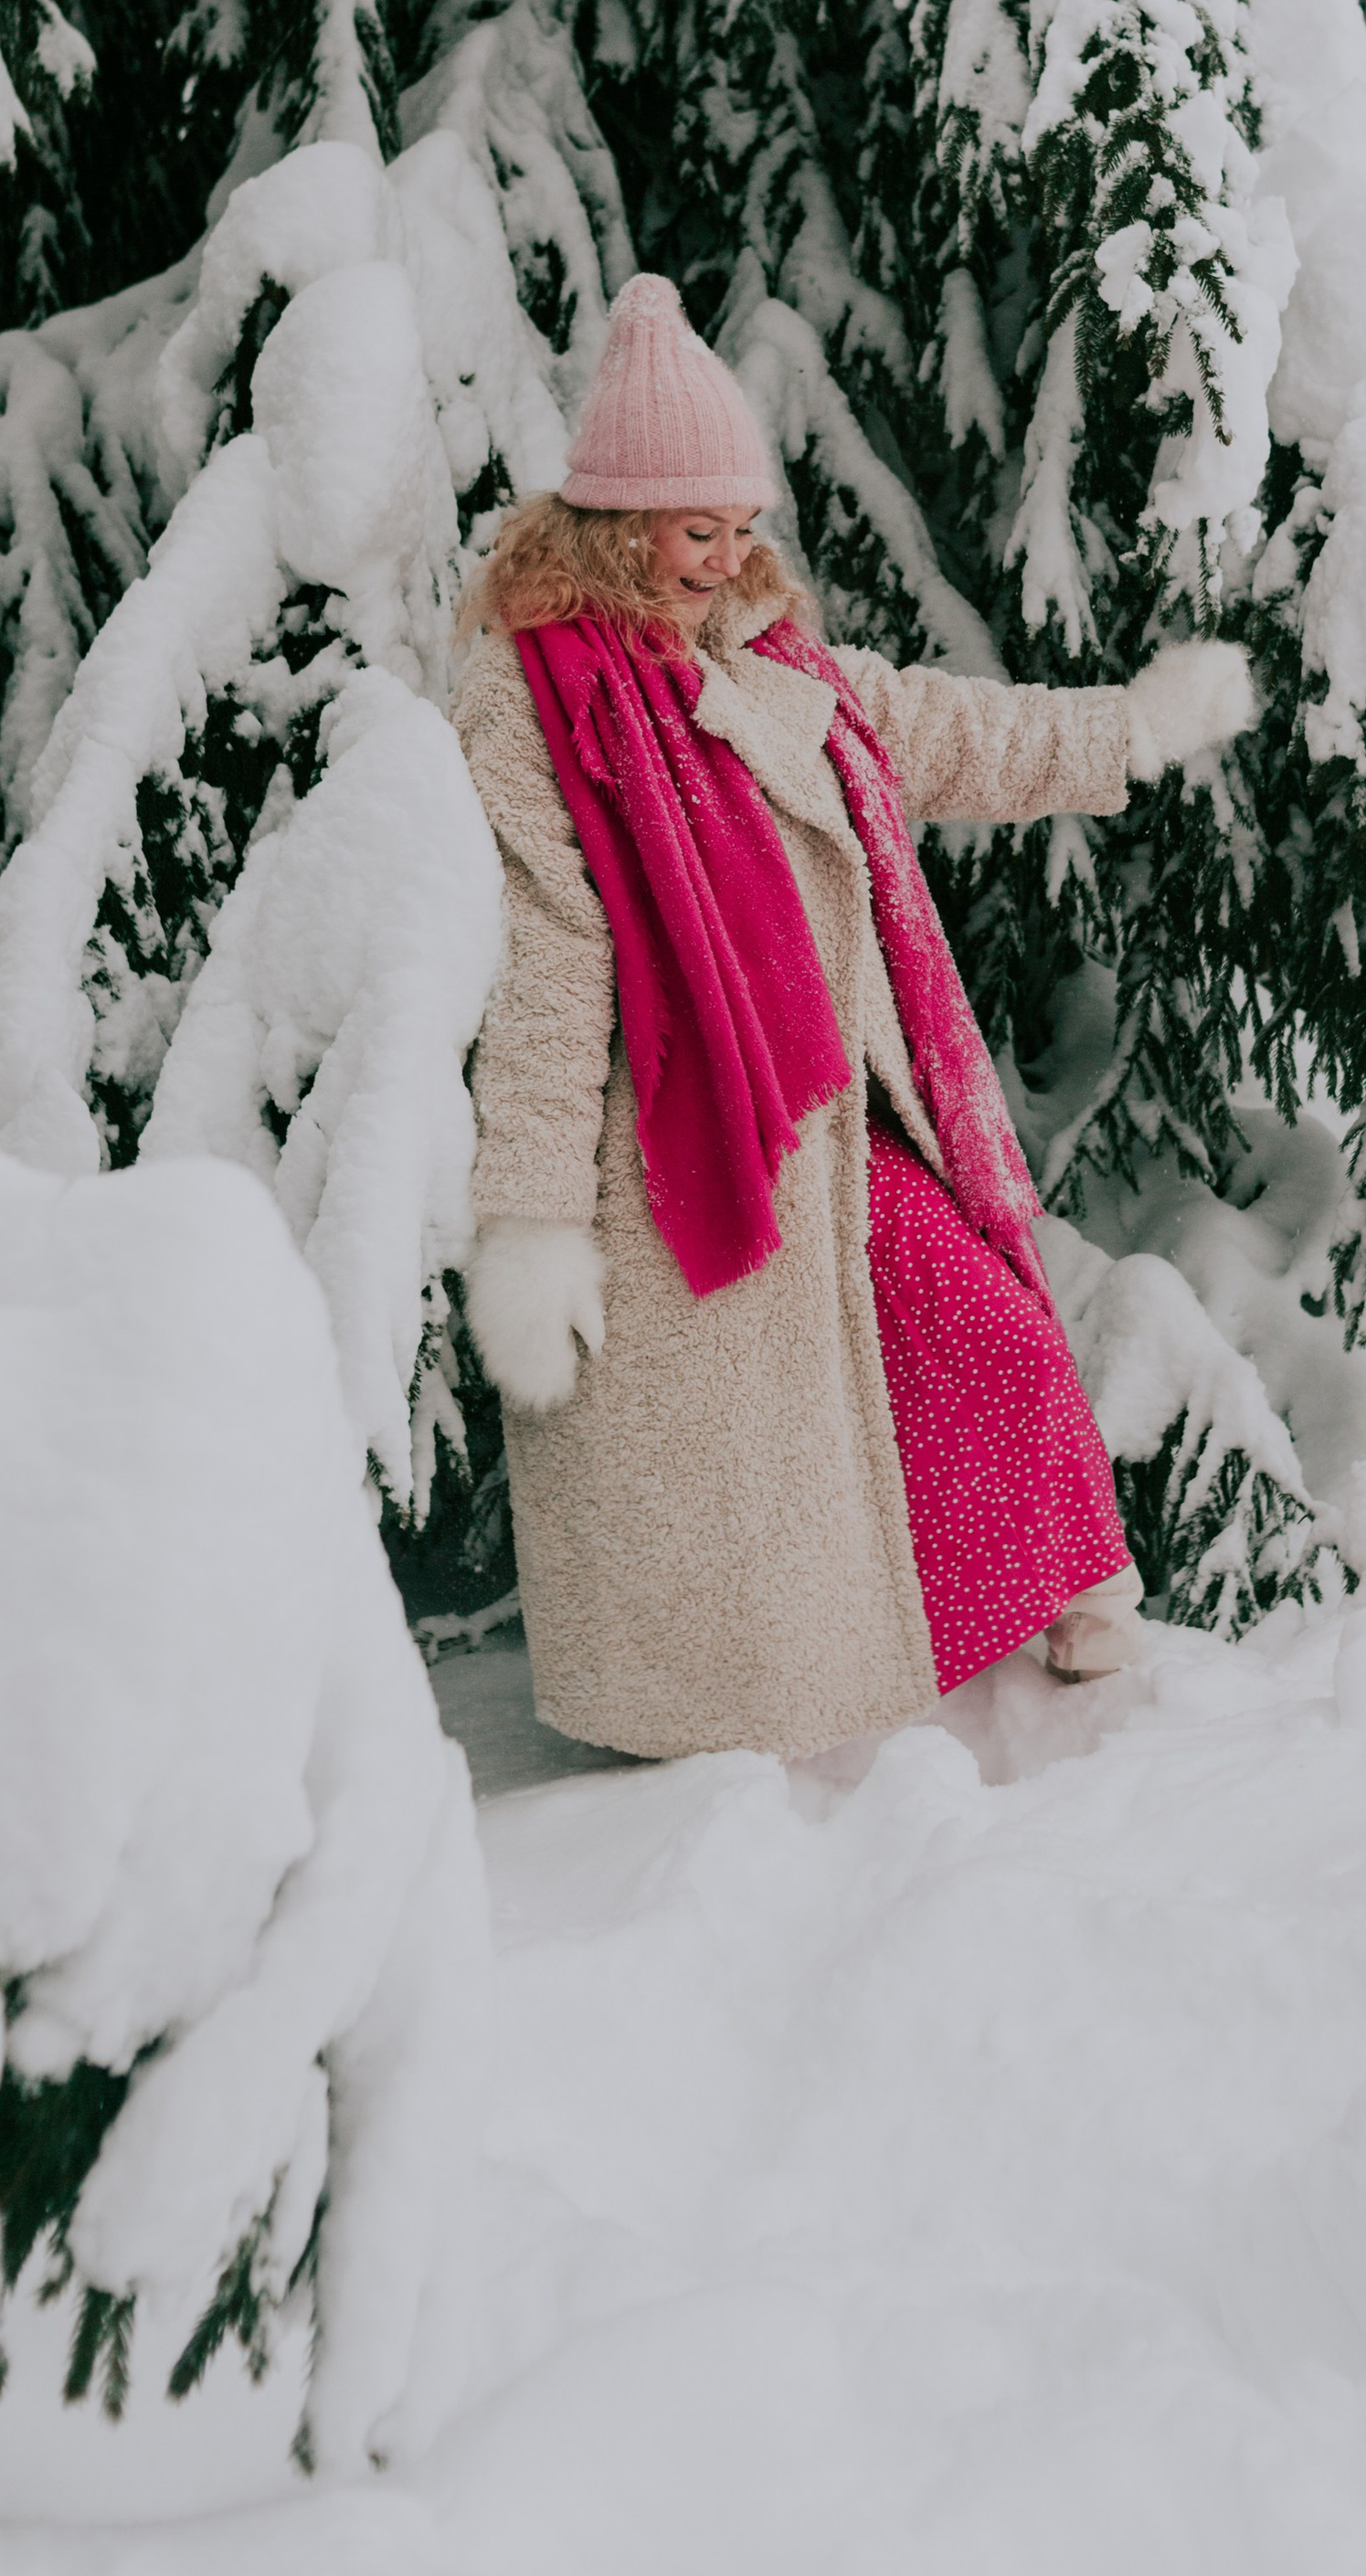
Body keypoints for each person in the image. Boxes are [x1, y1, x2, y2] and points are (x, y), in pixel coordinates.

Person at [450, 274, 1258, 1761]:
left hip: (833, 1116)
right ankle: (710, 1754)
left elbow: (956, 729)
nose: (726, 561)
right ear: (620, 523)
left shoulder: (774, 661)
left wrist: (1134, 725)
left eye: (740, 528)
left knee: (983, 1331)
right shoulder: (536, 701)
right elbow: (547, 975)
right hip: (675, 1156)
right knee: (728, 1487)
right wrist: (531, 1222)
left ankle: (1050, 1609)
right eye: (698, 532)